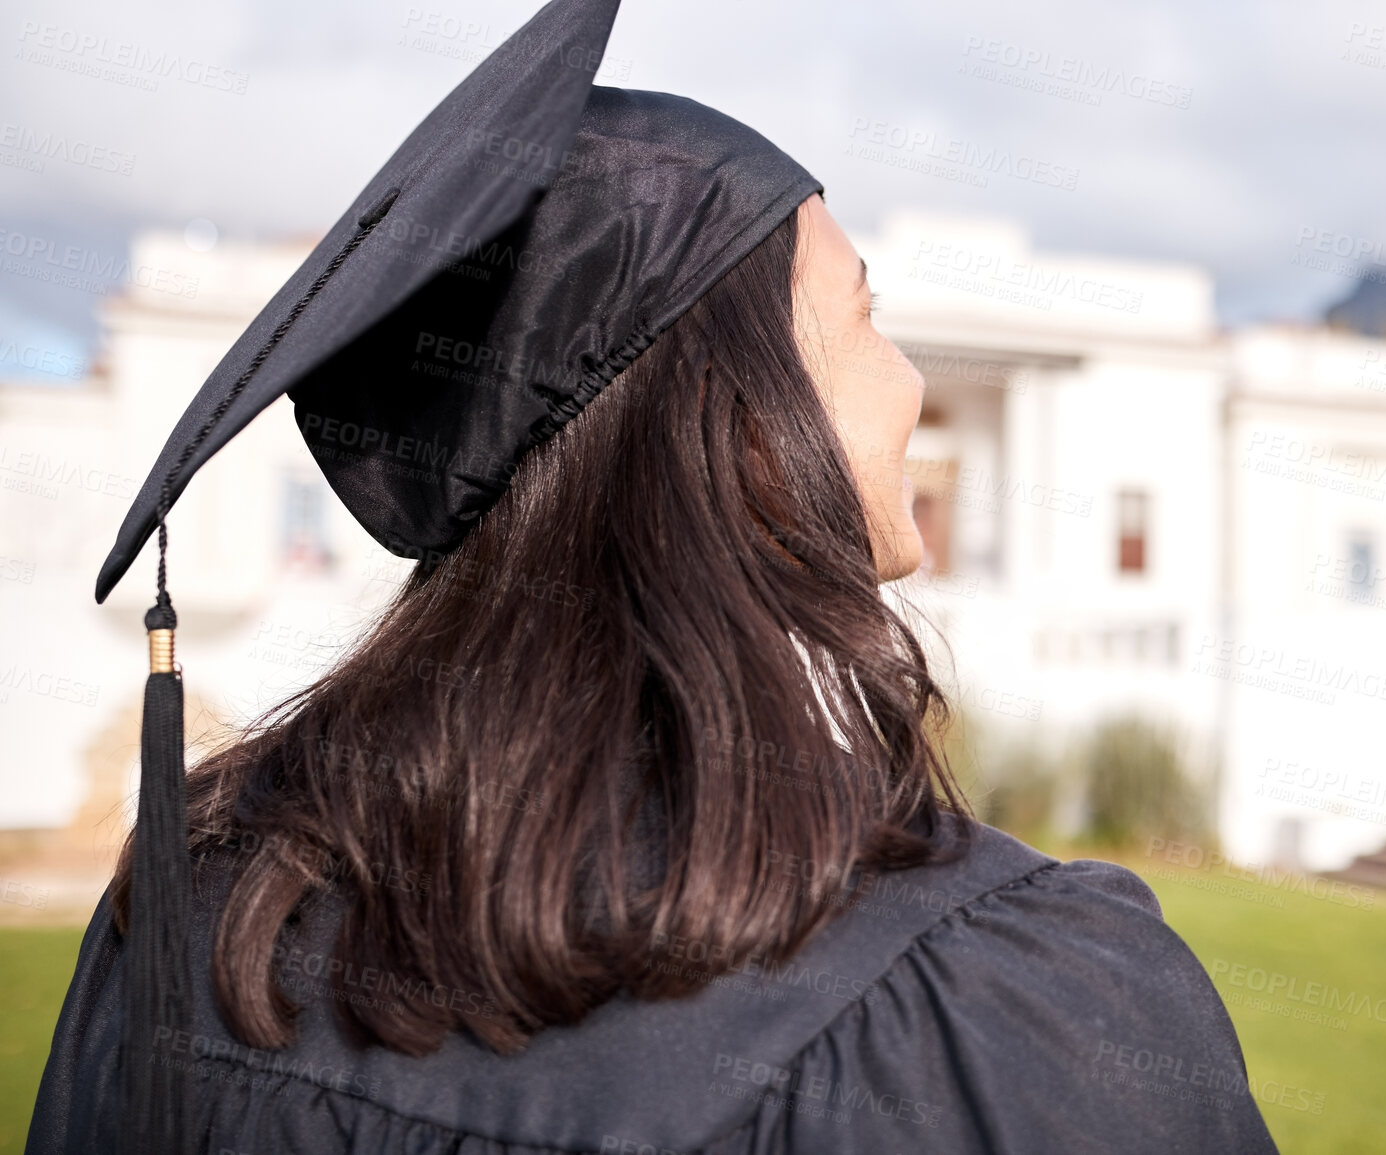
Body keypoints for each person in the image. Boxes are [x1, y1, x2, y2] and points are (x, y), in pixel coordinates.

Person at [26, 5, 1282, 1153]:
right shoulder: (1001, 1001)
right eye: (865, 317)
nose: (905, 381)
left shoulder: (201, 922)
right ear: (742, 420)